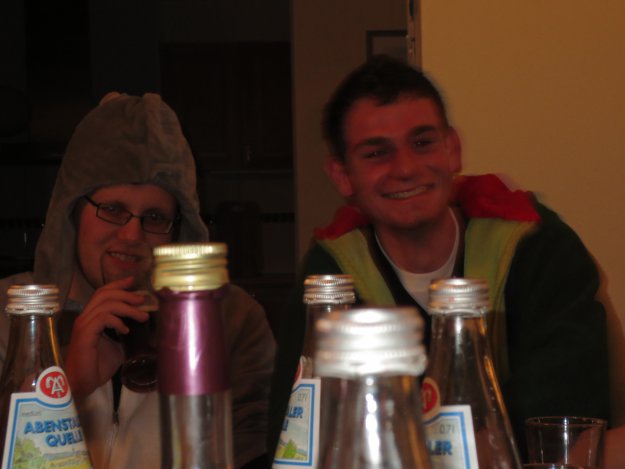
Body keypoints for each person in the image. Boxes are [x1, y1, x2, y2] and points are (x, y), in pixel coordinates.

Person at [267, 56, 610, 460]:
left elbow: (569, 426)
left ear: (453, 149)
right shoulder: (331, 277)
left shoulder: (537, 246)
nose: (406, 168)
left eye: (422, 143)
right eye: (376, 153)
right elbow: (295, 441)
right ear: (343, 175)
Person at [0, 92, 275, 468]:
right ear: (73, 212)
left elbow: (256, 450)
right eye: (113, 209)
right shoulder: (13, 315)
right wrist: (66, 386)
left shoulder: (232, 319)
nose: (132, 235)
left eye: (155, 217)